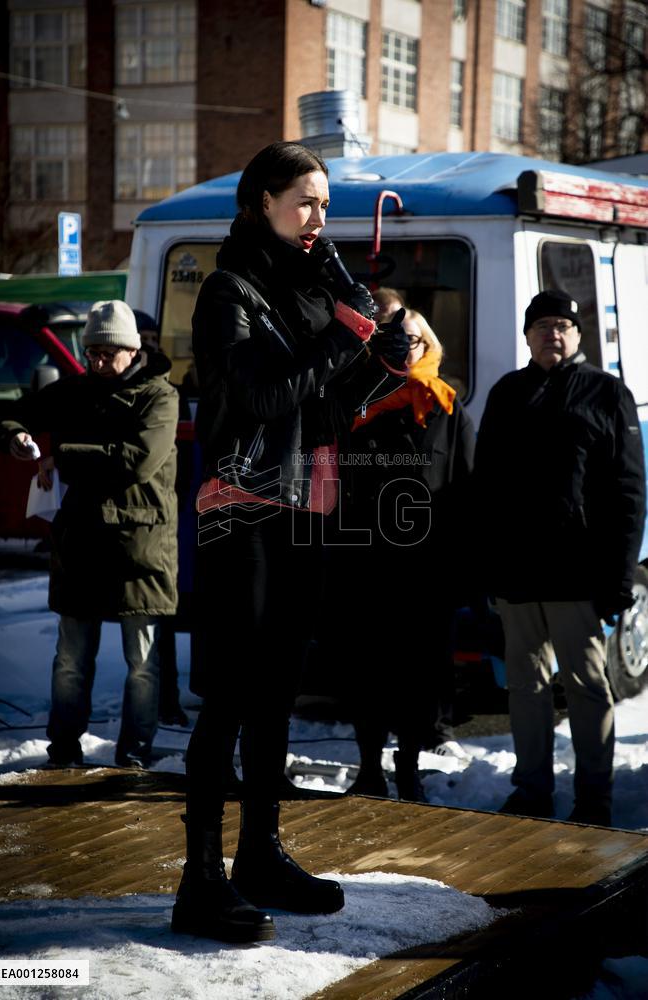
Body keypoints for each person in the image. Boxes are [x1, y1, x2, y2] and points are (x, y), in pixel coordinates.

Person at [172, 140, 409, 944]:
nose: (318, 218)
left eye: (325, 203)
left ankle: (259, 855)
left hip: (305, 508)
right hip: (242, 511)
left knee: (275, 692)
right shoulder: (227, 292)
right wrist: (347, 340)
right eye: (304, 200)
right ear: (260, 202)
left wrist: (385, 364)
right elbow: (265, 395)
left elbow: (325, 413)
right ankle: (199, 882)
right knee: (233, 695)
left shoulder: (309, 296)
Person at [474, 289, 646, 826]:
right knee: (525, 687)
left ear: (577, 336)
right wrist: (486, 565)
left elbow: (628, 492)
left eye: (564, 325)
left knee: (587, 686)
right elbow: (486, 487)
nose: (554, 333)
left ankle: (593, 796)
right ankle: (532, 791)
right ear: (527, 335)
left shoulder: (606, 393)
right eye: (543, 325)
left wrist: (618, 574)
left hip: (578, 572)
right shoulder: (507, 393)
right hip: (518, 572)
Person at [0, 300, 179, 769]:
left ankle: (133, 755)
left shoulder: (160, 396)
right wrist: (15, 435)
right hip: (80, 543)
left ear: (132, 350)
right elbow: (11, 415)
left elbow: (135, 460)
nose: (96, 361)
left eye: (106, 353)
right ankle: (64, 750)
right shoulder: (74, 390)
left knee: (143, 664)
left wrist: (63, 457)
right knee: (71, 659)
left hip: (142, 547)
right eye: (91, 351)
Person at [337, 309, 475, 800]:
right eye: (394, 342)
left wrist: (462, 568)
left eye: (413, 341)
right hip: (369, 566)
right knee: (367, 671)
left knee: (420, 675)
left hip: (427, 571)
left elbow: (465, 490)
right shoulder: (357, 403)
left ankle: (409, 765)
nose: (405, 349)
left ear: (428, 345)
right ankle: (369, 766)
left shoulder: (448, 407)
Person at [133, 308, 189, 729]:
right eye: (142, 338)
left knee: (162, 617)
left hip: (170, 512)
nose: (150, 344)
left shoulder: (172, 390)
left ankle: (166, 701)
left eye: (154, 337)